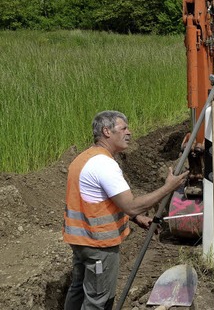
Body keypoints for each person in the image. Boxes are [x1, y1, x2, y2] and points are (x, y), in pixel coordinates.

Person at [63, 110, 189, 310]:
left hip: (80, 240)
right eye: (123, 128)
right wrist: (169, 187)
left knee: (78, 291)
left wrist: (135, 217)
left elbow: (98, 201)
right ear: (106, 131)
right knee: (98, 300)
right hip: (99, 245)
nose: (129, 133)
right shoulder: (104, 165)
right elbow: (131, 204)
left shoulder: (84, 158)